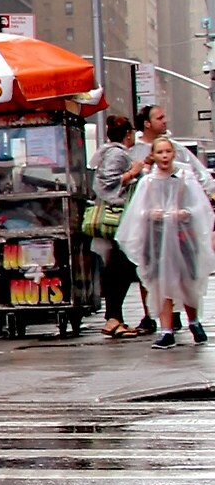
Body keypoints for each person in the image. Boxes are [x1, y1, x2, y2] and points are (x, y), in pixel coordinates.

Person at [116, 134, 213, 348]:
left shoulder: (185, 177)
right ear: (153, 155)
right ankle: (166, 329)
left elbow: (200, 206)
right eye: (160, 152)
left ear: (173, 153)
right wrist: (150, 213)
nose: (164, 156)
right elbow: (137, 211)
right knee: (161, 282)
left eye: (167, 151)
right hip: (157, 237)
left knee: (187, 280)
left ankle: (194, 322)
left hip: (183, 235)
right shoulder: (148, 181)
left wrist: (185, 212)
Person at [93, 113, 146, 338]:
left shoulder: (109, 152)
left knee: (121, 269)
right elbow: (105, 184)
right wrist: (132, 173)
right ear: (128, 134)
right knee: (121, 269)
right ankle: (113, 318)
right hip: (118, 221)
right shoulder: (116, 154)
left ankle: (115, 318)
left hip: (122, 222)